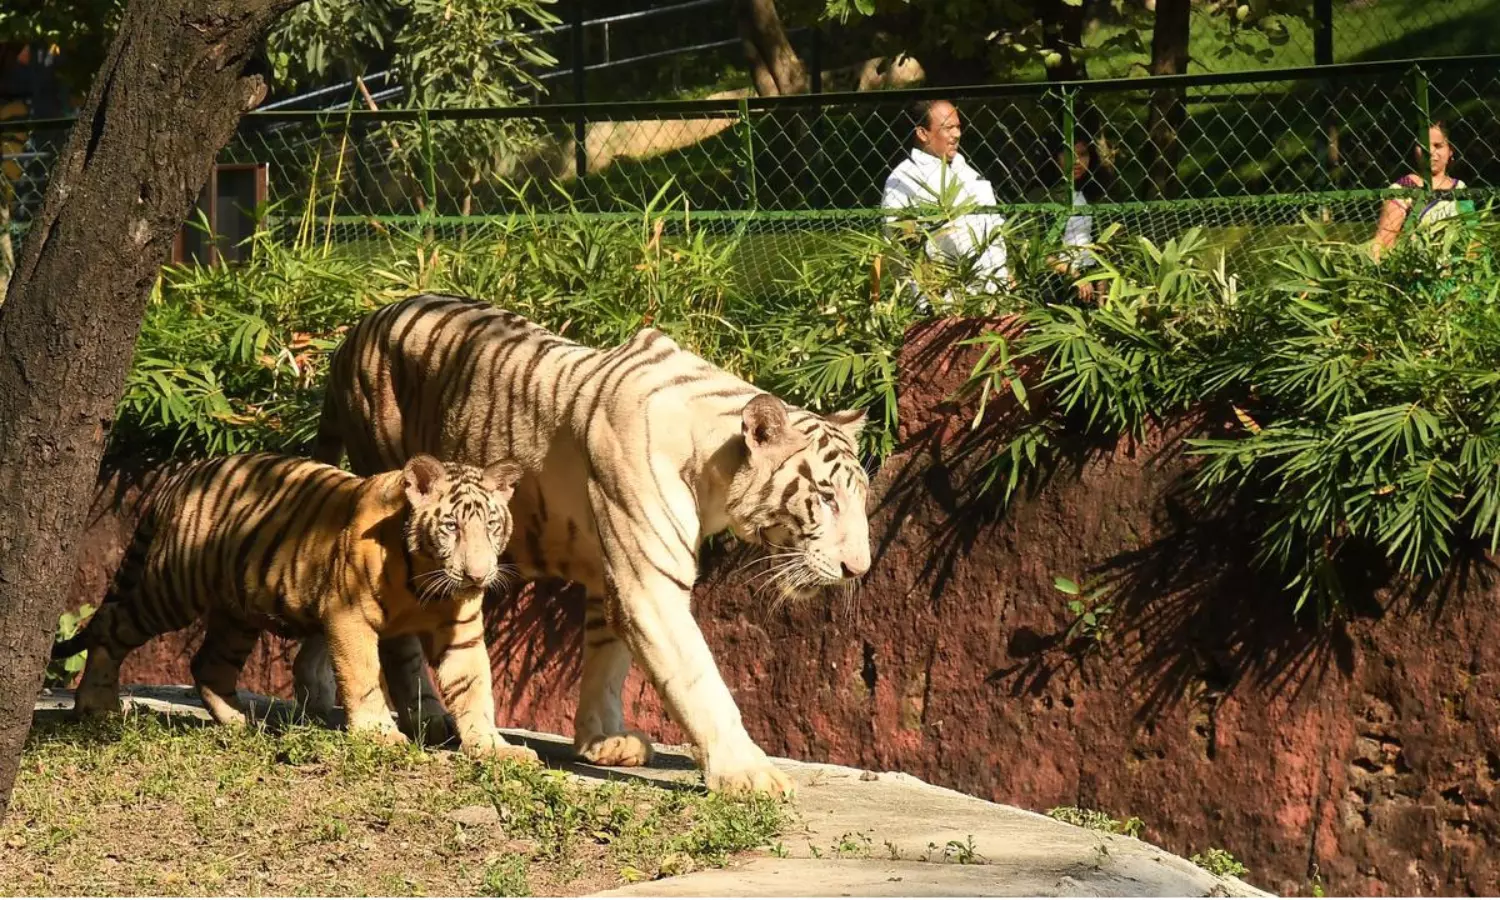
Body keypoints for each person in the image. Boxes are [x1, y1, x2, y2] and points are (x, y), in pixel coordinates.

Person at [880, 99, 1010, 297]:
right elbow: (898, 242)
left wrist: (1005, 273)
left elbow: (994, 228)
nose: (957, 134)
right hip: (942, 299)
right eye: (948, 128)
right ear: (923, 133)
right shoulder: (903, 179)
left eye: (958, 127)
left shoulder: (969, 173)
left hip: (992, 292)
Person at [1371, 120, 1472, 260]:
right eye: (1423, 145)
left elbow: (1473, 239)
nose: (1430, 152)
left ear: (1450, 150)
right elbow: (1384, 241)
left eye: (1438, 146)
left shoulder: (1460, 188)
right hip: (1415, 271)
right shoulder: (1404, 188)